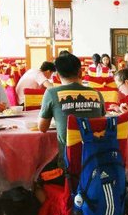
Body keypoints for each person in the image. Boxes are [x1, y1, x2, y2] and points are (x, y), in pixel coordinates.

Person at [38, 53, 105, 199]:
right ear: (80, 72)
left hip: (68, 164)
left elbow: (42, 128)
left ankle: (62, 207)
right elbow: (100, 122)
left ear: (57, 75)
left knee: (35, 176)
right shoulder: (96, 94)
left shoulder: (52, 93)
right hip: (96, 160)